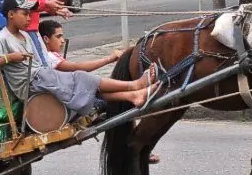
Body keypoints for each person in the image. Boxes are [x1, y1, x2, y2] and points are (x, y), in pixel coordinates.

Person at [0, 0, 157, 117]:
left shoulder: (25, 35)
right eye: (25, 14)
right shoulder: (1, 39)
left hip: (42, 76)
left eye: (30, 14)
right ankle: (133, 85)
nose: (29, 18)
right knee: (81, 78)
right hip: (30, 83)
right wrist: (10, 58)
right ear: (11, 15)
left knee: (84, 86)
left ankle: (133, 95)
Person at [39, 18, 161, 164]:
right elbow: (79, 68)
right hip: (67, 103)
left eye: (63, 36)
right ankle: (134, 90)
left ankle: (134, 94)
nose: (63, 41)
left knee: (101, 90)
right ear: (46, 39)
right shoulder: (49, 57)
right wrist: (110, 58)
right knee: (94, 86)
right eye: (58, 37)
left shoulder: (53, 55)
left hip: (71, 96)